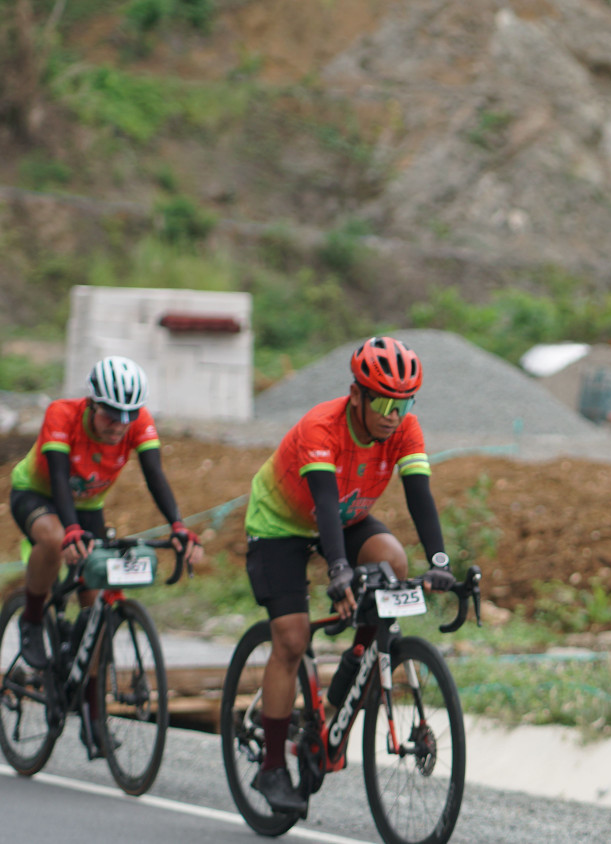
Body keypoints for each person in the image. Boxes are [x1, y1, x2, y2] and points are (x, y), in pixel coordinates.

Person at [242, 336, 455, 813]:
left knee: (393, 562)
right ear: (356, 394)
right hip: (281, 523)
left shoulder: (404, 428)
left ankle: (354, 665)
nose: (393, 415)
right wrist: (339, 571)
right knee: (292, 638)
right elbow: (322, 501)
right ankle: (272, 766)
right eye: (383, 403)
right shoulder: (322, 427)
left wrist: (440, 562)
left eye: (404, 404)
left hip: (346, 516)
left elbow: (419, 494)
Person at [7, 356, 205, 751]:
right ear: (92, 404)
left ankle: (93, 712)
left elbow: (155, 475)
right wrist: (70, 531)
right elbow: (59, 476)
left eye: (127, 416)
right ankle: (32, 619)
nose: (119, 424)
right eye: (111, 414)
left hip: (88, 506)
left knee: (96, 606)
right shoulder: (62, 415)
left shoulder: (138, 423)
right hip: (38, 493)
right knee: (53, 538)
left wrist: (178, 526)